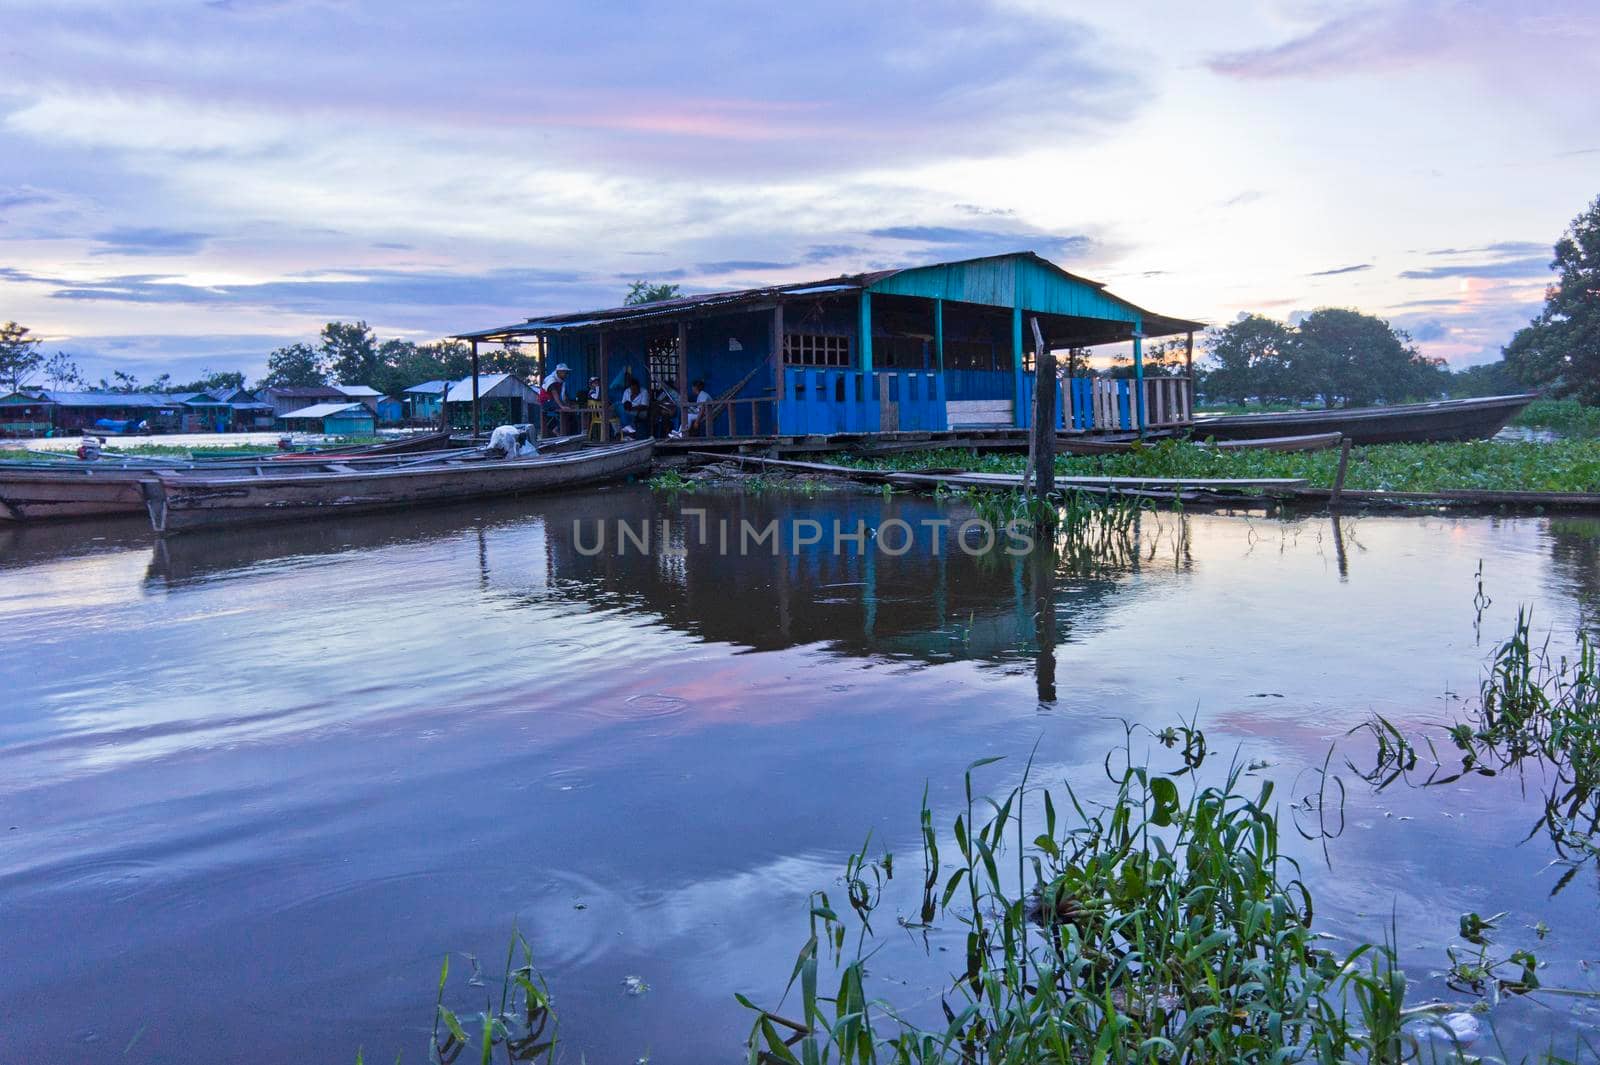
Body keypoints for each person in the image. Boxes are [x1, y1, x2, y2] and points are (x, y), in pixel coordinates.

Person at [541, 363, 573, 435]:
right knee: (564, 410)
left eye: (566, 372)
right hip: (546, 401)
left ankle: (556, 429)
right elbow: (555, 394)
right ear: (558, 372)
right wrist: (562, 406)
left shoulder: (561, 381)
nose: (566, 374)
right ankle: (556, 429)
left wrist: (567, 404)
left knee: (570, 411)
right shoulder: (551, 379)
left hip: (553, 401)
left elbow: (563, 395)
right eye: (564, 372)